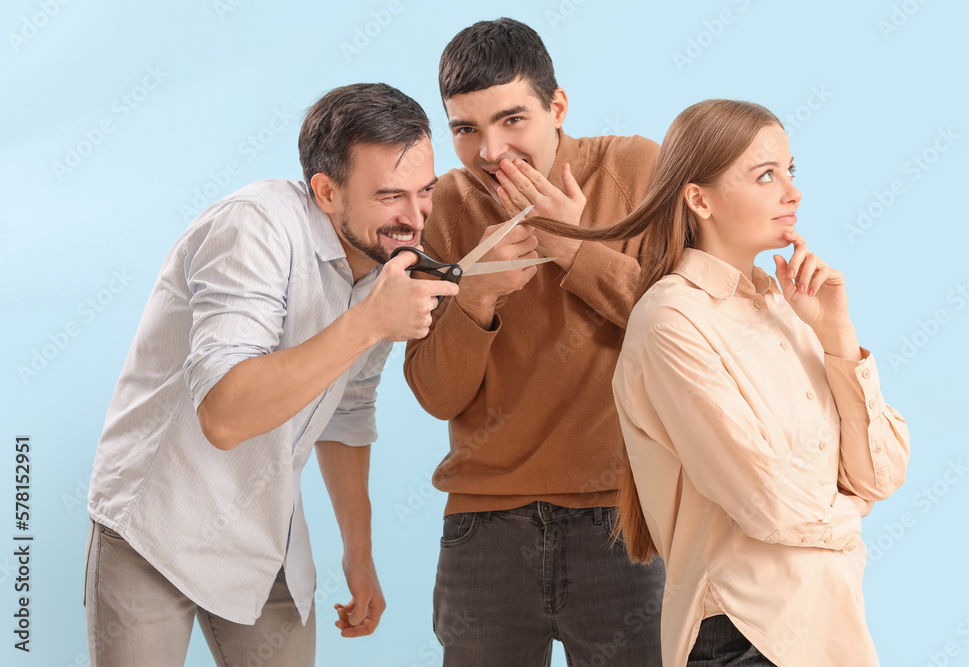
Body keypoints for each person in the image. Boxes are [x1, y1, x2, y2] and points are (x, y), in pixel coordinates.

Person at [84, 83, 458, 666]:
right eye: (390, 196)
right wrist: (368, 323)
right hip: (155, 527)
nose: (414, 219)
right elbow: (225, 415)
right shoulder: (253, 228)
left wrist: (358, 556)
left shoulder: (381, 266)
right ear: (326, 192)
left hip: (264, 534)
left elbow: (349, 411)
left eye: (424, 191)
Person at [530, 99, 910, 666]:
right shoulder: (670, 320)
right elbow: (767, 504)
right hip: (745, 637)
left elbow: (878, 473)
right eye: (765, 175)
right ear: (698, 199)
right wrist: (850, 514)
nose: (792, 192)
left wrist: (838, 339)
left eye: (790, 171)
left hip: (831, 632)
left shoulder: (788, 310)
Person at [403, 17, 666, 665]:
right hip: (483, 528)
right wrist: (478, 297)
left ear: (557, 107)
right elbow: (436, 394)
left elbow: (682, 337)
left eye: (512, 120)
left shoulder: (637, 168)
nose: (491, 151)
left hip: (624, 519)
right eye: (466, 129)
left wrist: (573, 246)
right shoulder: (441, 208)